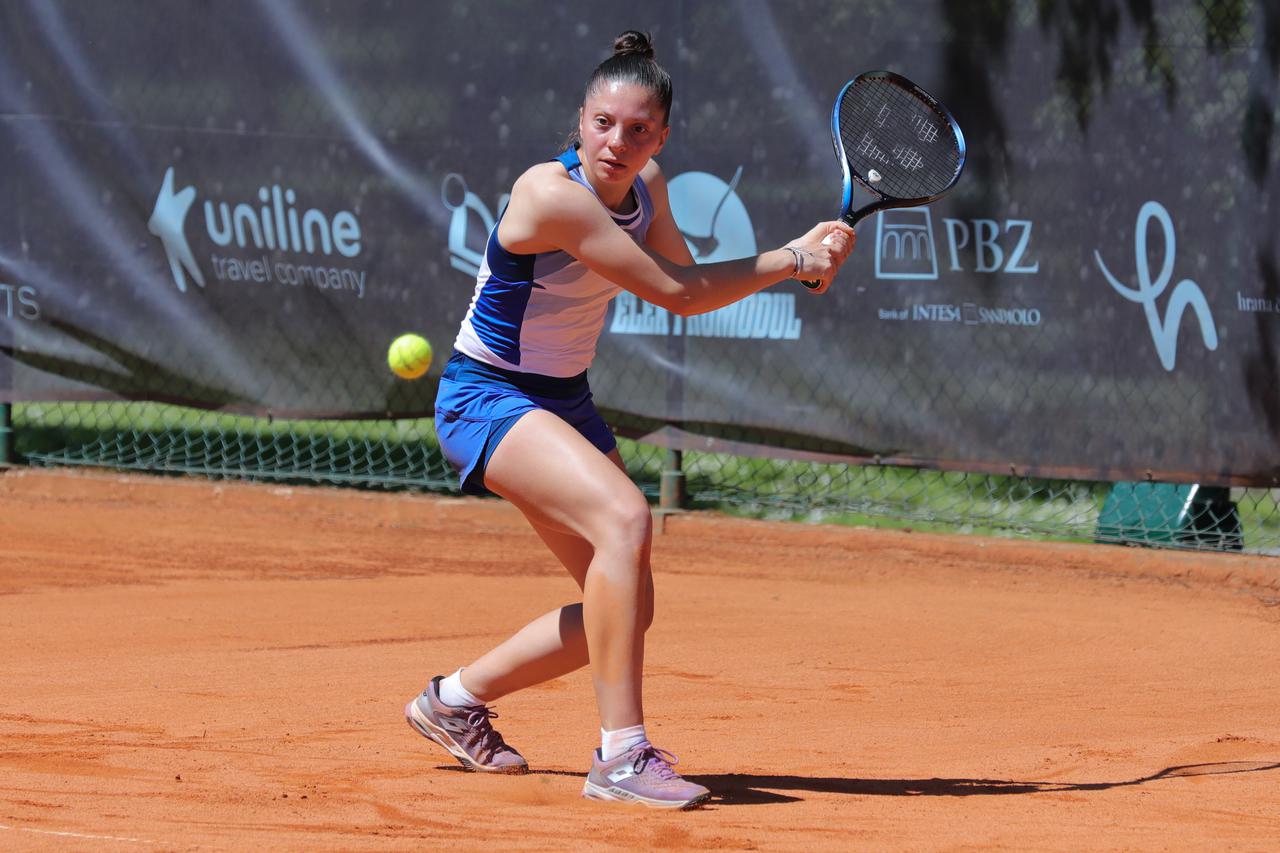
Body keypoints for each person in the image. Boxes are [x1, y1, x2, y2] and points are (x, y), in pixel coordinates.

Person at [406, 29, 855, 810]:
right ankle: (622, 756)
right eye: (604, 123)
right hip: (488, 394)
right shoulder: (549, 194)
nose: (619, 142)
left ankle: (455, 699)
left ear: (661, 136)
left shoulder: (650, 185)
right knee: (624, 517)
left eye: (639, 130)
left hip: (562, 399)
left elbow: (684, 276)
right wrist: (791, 258)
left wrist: (800, 258)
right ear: (579, 119)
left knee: (629, 608)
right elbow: (675, 294)